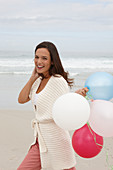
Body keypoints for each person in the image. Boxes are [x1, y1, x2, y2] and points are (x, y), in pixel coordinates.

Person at [17, 41, 88, 170]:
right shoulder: (38, 81)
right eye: (37, 57)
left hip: (56, 139)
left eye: (44, 58)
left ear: (52, 61)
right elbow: (21, 99)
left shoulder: (58, 81)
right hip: (41, 140)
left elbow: (64, 106)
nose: (39, 61)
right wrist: (32, 78)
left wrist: (76, 97)